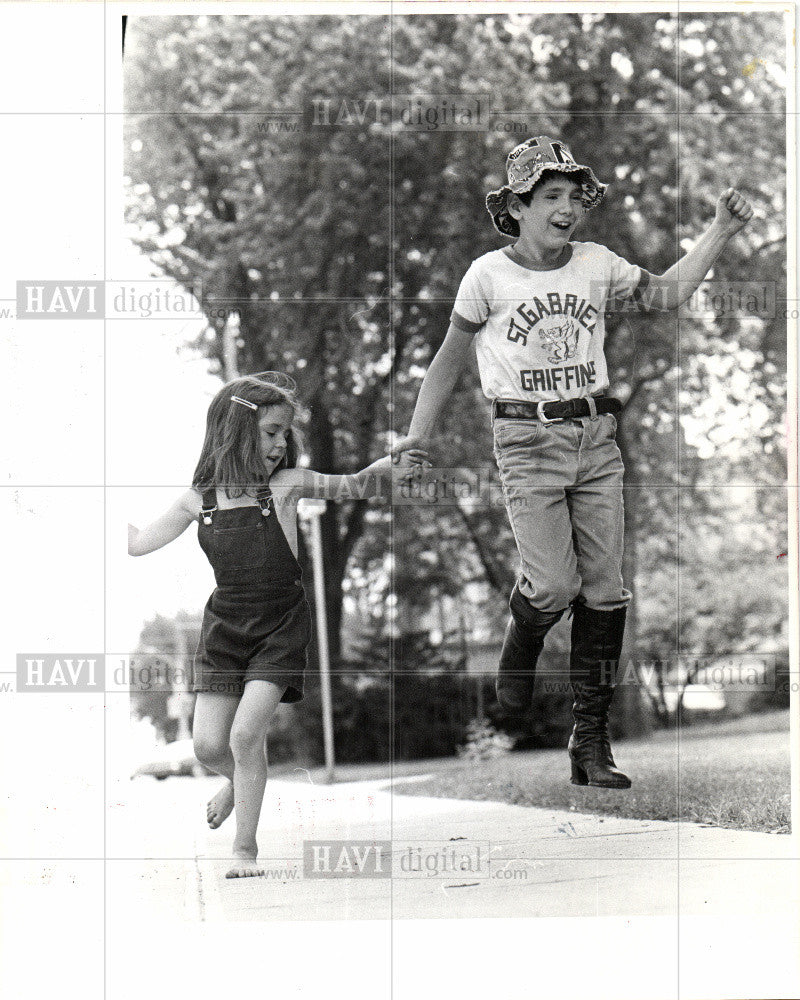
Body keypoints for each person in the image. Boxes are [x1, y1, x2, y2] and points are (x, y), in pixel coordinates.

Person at [394, 136, 752, 789]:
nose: (567, 208)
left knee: (606, 589)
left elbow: (667, 296)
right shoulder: (487, 277)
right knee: (555, 584)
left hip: (593, 436)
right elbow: (448, 361)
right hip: (526, 443)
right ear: (519, 206)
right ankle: (525, 629)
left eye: (573, 196)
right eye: (551, 196)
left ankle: (590, 744)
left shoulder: (594, 263)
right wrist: (417, 436)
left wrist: (720, 231)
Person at [128, 372, 423, 877]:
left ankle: (245, 849)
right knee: (207, 746)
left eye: (285, 432)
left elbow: (353, 485)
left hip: (279, 626)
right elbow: (137, 543)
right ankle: (238, 783)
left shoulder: (285, 486)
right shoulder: (198, 500)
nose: (281, 443)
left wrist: (384, 469)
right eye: (271, 432)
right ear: (236, 430)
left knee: (245, 737)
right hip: (224, 631)